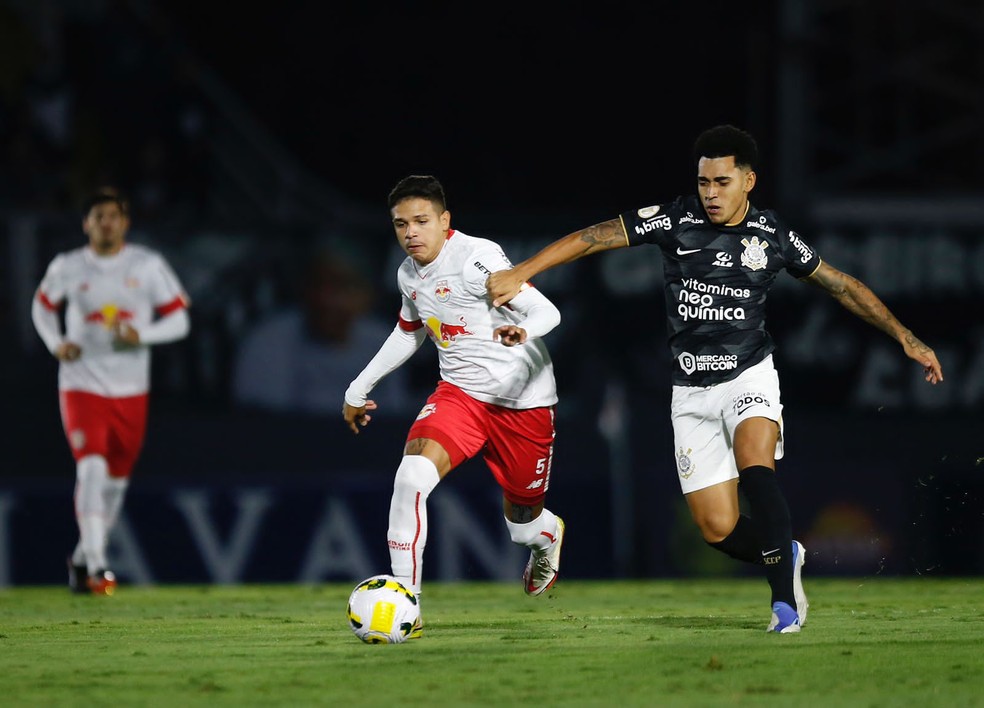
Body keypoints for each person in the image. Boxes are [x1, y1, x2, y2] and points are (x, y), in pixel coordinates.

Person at [487, 124, 944, 633]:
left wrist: (905, 336)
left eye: (721, 182)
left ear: (749, 181)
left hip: (749, 375)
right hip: (690, 392)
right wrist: (523, 271)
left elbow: (843, 286)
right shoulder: (675, 219)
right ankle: (783, 553)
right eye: (704, 182)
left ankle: (784, 607)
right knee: (716, 527)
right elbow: (592, 237)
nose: (710, 193)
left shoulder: (772, 237)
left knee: (756, 467)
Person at [343, 175, 566, 635]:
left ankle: (547, 540)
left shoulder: (475, 259)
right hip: (460, 396)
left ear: (446, 221)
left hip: (523, 402)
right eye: (401, 224)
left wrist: (524, 331)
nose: (411, 233)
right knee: (410, 477)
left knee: (523, 526)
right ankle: (409, 606)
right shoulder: (408, 272)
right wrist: (357, 389)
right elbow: (410, 332)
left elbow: (548, 312)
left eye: (421, 221)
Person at [32, 186, 191, 595]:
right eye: (98, 216)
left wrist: (143, 334)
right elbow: (42, 306)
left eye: (113, 215)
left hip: (131, 388)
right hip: (82, 382)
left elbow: (179, 320)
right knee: (91, 466)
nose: (106, 223)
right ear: (86, 223)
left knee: (116, 482)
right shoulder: (68, 266)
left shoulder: (146, 264)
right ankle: (100, 567)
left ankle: (83, 557)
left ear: (125, 223)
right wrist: (56, 344)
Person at [232, 239, 413, 415]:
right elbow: (262, 426)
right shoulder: (267, 343)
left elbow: (393, 419)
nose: (326, 299)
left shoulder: (382, 342)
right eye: (319, 285)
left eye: (343, 287)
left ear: (367, 294)